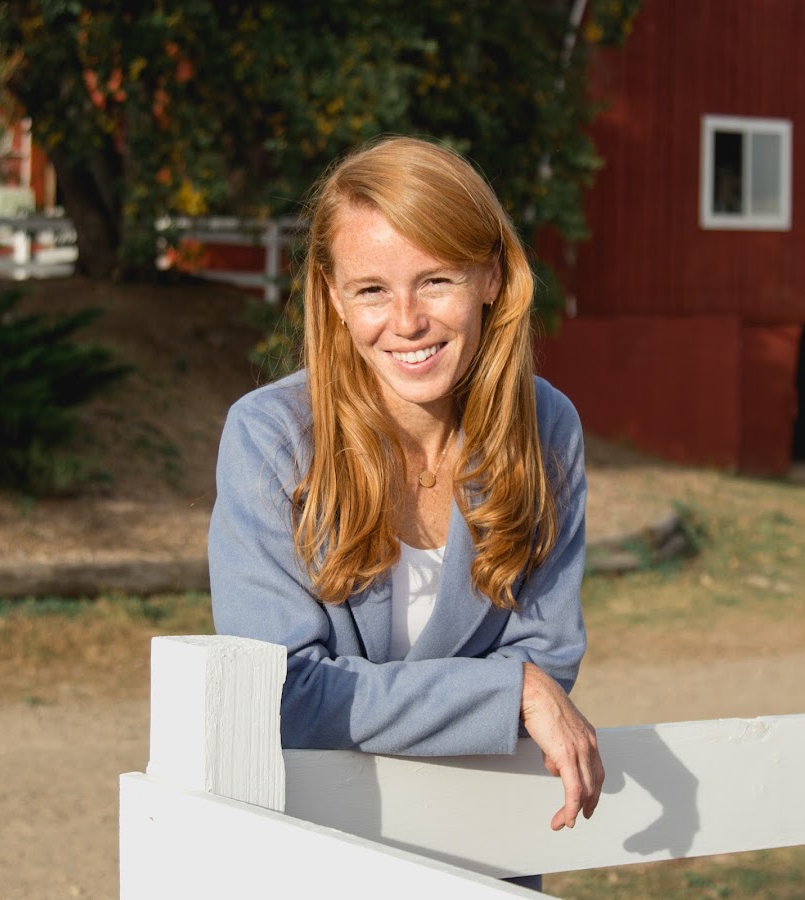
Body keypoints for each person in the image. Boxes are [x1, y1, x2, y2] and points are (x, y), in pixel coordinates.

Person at [209, 136, 604, 853]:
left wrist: (523, 684)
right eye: (371, 290)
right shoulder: (269, 438)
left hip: (488, 837)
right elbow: (279, 692)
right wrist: (504, 694)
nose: (407, 321)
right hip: (320, 846)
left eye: (436, 281)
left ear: (490, 276)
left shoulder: (547, 428)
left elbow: (548, 656)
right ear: (334, 298)